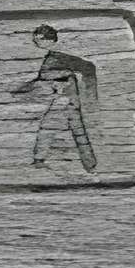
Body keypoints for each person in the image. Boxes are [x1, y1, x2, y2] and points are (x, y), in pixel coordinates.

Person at [14, 24, 98, 173]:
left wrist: (90, 96)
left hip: (67, 100)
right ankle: (90, 165)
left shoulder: (59, 57)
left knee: (54, 128)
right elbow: (41, 81)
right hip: (64, 99)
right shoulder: (49, 59)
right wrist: (21, 90)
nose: (36, 42)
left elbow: (89, 68)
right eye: (35, 40)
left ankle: (89, 165)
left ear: (50, 40)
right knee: (76, 131)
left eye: (39, 39)